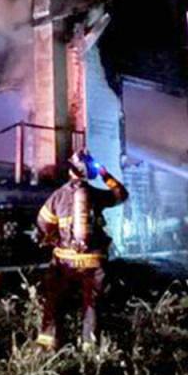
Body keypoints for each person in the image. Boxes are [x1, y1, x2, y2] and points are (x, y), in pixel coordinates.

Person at [35, 149, 129, 350]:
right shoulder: (95, 195)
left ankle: (48, 346)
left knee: (54, 302)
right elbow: (121, 194)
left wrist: (55, 239)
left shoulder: (58, 196)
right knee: (92, 305)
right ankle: (90, 348)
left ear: (70, 171)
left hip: (64, 262)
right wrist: (105, 174)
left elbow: (43, 224)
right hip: (93, 263)